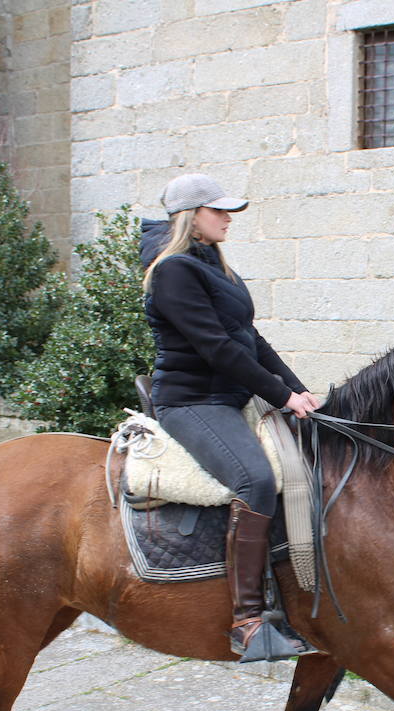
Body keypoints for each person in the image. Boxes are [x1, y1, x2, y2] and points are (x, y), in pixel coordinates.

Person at [140, 173, 321, 660]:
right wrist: (282, 397)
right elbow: (217, 348)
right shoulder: (174, 270)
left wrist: (300, 390)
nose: (227, 218)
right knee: (255, 481)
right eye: (218, 210)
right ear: (191, 216)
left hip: (231, 396)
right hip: (193, 402)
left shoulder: (216, 267)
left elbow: (251, 341)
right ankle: (246, 621)